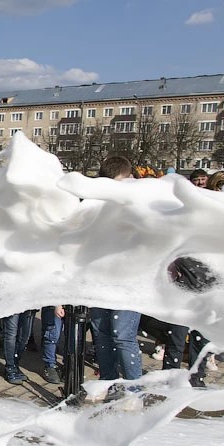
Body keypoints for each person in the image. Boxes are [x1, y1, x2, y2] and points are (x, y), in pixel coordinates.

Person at [89, 156, 142, 383]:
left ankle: (133, 390)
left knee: (122, 335)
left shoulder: (139, 202)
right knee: (102, 336)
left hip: (129, 281)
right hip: (99, 279)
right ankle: (108, 383)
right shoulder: (96, 202)